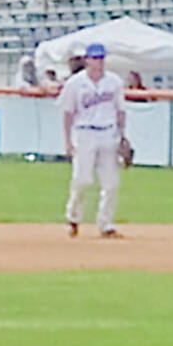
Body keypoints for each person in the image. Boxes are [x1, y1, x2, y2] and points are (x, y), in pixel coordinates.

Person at [60, 42, 127, 239]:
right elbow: (67, 113)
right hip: (84, 133)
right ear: (87, 60)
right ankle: (73, 217)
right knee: (81, 180)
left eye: (101, 58)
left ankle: (106, 224)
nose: (98, 62)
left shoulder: (114, 82)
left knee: (111, 183)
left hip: (108, 132)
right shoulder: (75, 83)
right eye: (95, 58)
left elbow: (120, 110)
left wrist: (122, 136)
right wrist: (67, 141)